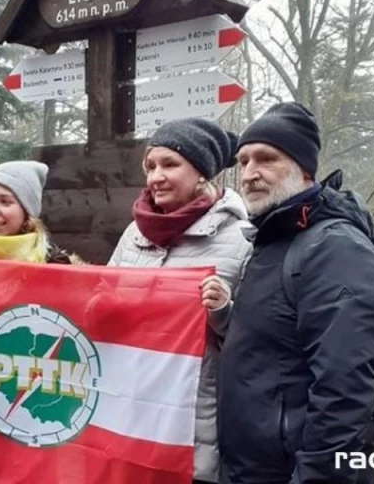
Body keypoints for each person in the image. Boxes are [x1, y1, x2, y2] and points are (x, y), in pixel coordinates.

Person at [217, 102, 374, 484]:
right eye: (242, 161)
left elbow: (344, 393)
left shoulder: (335, 249)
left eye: (266, 159)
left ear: (304, 169)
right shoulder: (273, 240)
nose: (249, 174)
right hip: (252, 467)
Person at [107, 117, 253, 484]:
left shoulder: (241, 238)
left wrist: (222, 312)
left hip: (194, 422)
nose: (156, 176)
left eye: (170, 164)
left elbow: (257, 342)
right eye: (151, 166)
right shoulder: (133, 233)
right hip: (130, 411)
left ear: (202, 171)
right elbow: (104, 299)